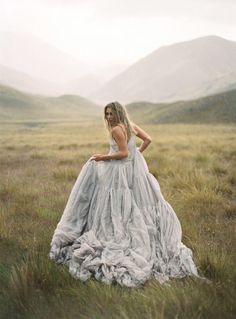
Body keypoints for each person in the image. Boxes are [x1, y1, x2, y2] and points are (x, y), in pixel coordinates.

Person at [49, 101, 206, 287]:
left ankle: (120, 231)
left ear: (118, 113)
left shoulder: (116, 130)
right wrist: (137, 154)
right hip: (132, 171)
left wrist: (102, 157)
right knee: (133, 202)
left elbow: (123, 153)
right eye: (106, 114)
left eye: (111, 113)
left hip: (119, 172)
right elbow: (148, 140)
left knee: (118, 202)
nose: (108, 117)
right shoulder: (130, 126)